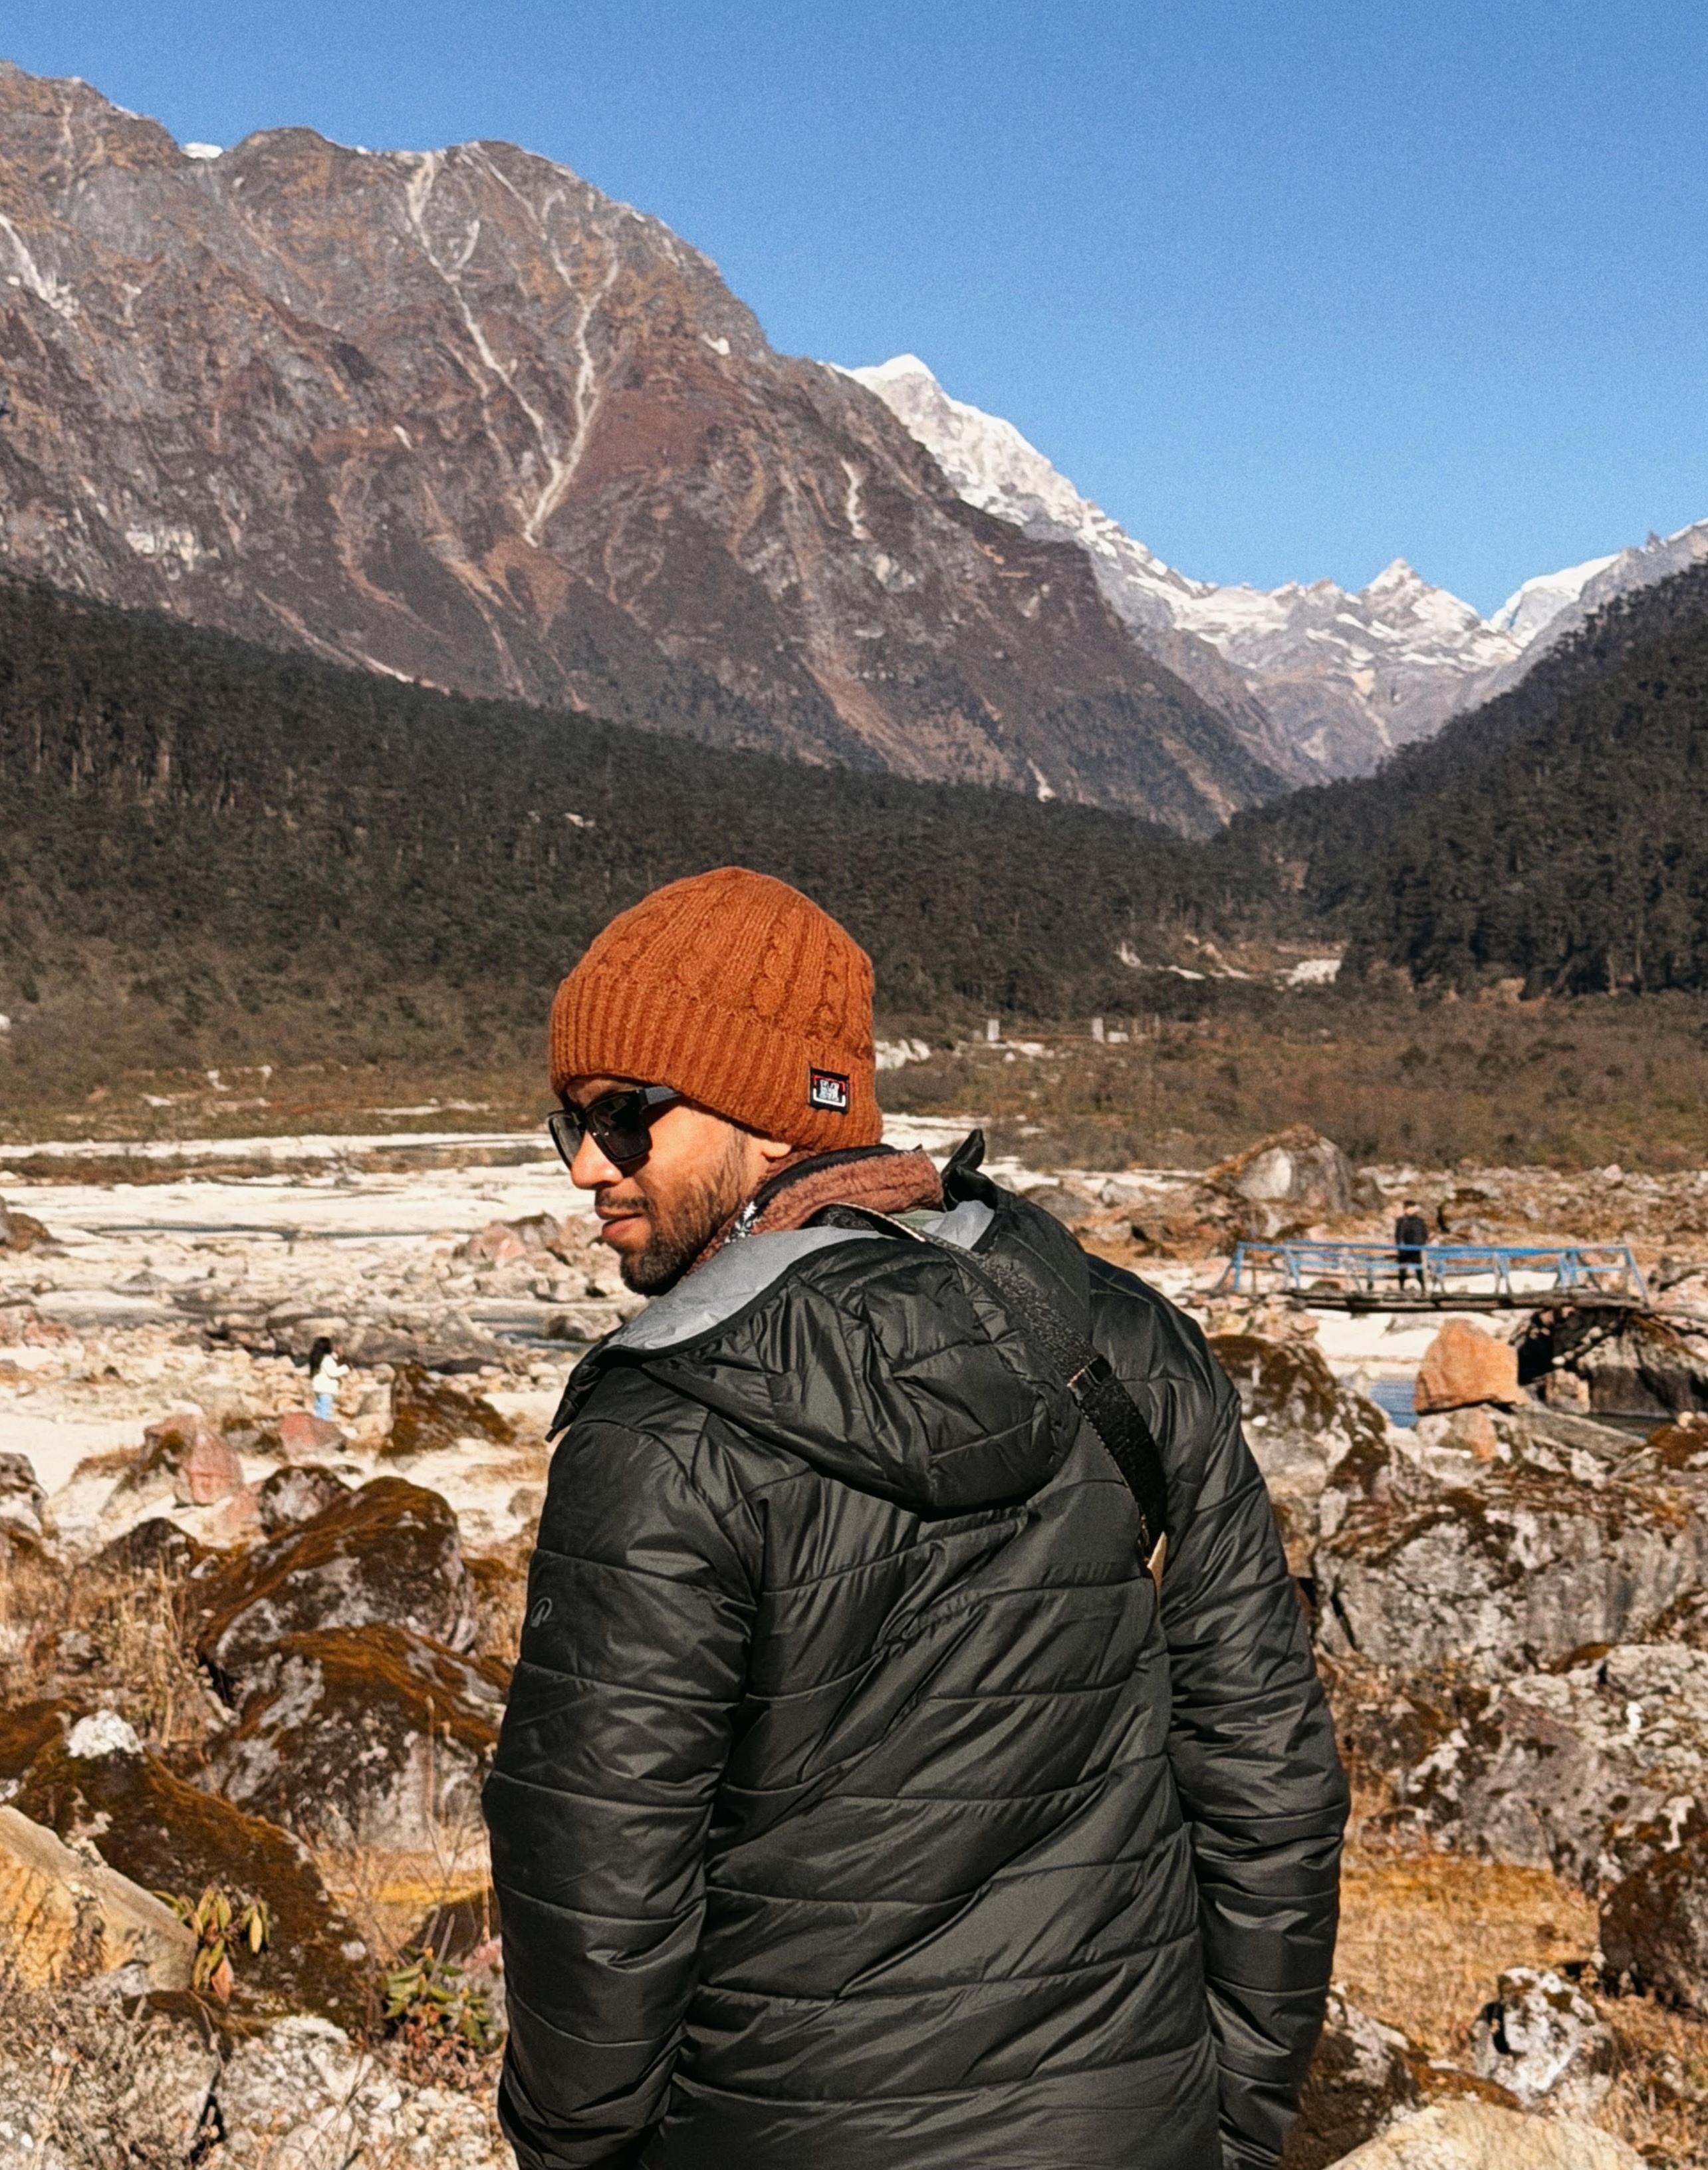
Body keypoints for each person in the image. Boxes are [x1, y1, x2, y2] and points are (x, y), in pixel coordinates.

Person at [485, 867, 1346, 2170]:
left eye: (625, 1115)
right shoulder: (1130, 1347)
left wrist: (576, 2150)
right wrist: (1231, 2113)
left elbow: (596, 1882)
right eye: (569, 1127)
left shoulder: (662, 1425)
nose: (588, 1168)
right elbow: (1268, 1779)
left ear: (774, 1117)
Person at [306, 1336, 347, 1422]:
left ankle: (316, 1429)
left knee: (318, 1411)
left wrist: (338, 1354)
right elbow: (333, 1372)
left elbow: (333, 1359)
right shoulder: (327, 1359)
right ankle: (322, 1432)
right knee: (325, 1413)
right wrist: (346, 1368)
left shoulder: (317, 1358)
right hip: (326, 1389)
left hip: (318, 1388)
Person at [1394, 1199, 1429, 1293]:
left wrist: (1421, 1244)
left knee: (1419, 1270)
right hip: (1404, 1250)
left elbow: (1424, 1234)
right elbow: (1399, 1235)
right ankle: (1401, 1288)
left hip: (1416, 1249)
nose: (1411, 1210)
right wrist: (1401, 1246)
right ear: (1405, 1209)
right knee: (1402, 1270)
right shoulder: (1401, 1221)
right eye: (1409, 1208)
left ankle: (1423, 1288)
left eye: (1412, 1208)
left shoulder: (1419, 1221)